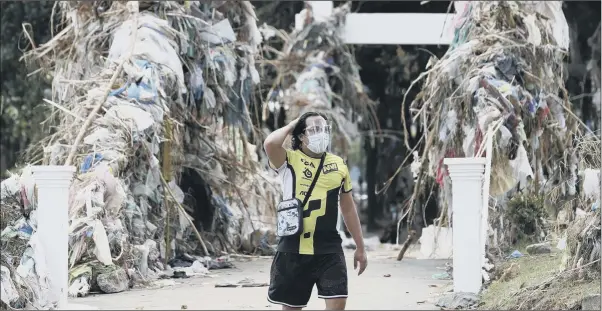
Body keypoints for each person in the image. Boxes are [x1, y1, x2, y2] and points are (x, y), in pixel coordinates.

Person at [263, 111, 367, 310]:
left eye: (325, 129)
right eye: (315, 129)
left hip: (329, 248)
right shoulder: (288, 161)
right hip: (293, 249)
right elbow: (270, 143)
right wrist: (294, 123)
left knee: (338, 303)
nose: (322, 133)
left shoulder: (338, 165)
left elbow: (348, 208)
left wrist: (360, 247)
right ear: (301, 136)